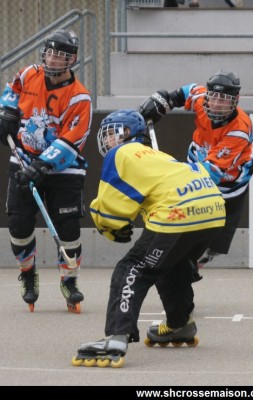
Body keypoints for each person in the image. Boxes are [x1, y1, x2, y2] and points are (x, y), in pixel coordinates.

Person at [71, 109, 225, 367]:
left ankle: (116, 337)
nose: (107, 140)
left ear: (127, 133)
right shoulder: (158, 155)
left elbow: (109, 209)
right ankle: (179, 325)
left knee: (132, 268)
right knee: (171, 264)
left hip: (178, 214)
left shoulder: (120, 154)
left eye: (111, 133)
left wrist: (112, 228)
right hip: (213, 210)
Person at [0, 29, 92, 313]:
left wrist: (42, 165)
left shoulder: (80, 98)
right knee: (18, 224)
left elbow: (73, 140)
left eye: (60, 55)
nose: (52, 59)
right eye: (49, 53)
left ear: (72, 59)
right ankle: (28, 272)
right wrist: (6, 112)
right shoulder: (29, 74)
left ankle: (69, 280)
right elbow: (11, 91)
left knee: (68, 229)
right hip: (24, 158)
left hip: (64, 170)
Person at [138, 70, 253, 278]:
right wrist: (165, 101)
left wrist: (170, 173)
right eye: (214, 97)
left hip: (228, 185)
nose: (216, 104)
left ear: (235, 101)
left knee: (211, 245)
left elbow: (210, 173)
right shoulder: (202, 100)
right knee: (185, 225)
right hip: (197, 163)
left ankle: (196, 260)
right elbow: (187, 91)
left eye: (224, 100)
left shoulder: (239, 129)